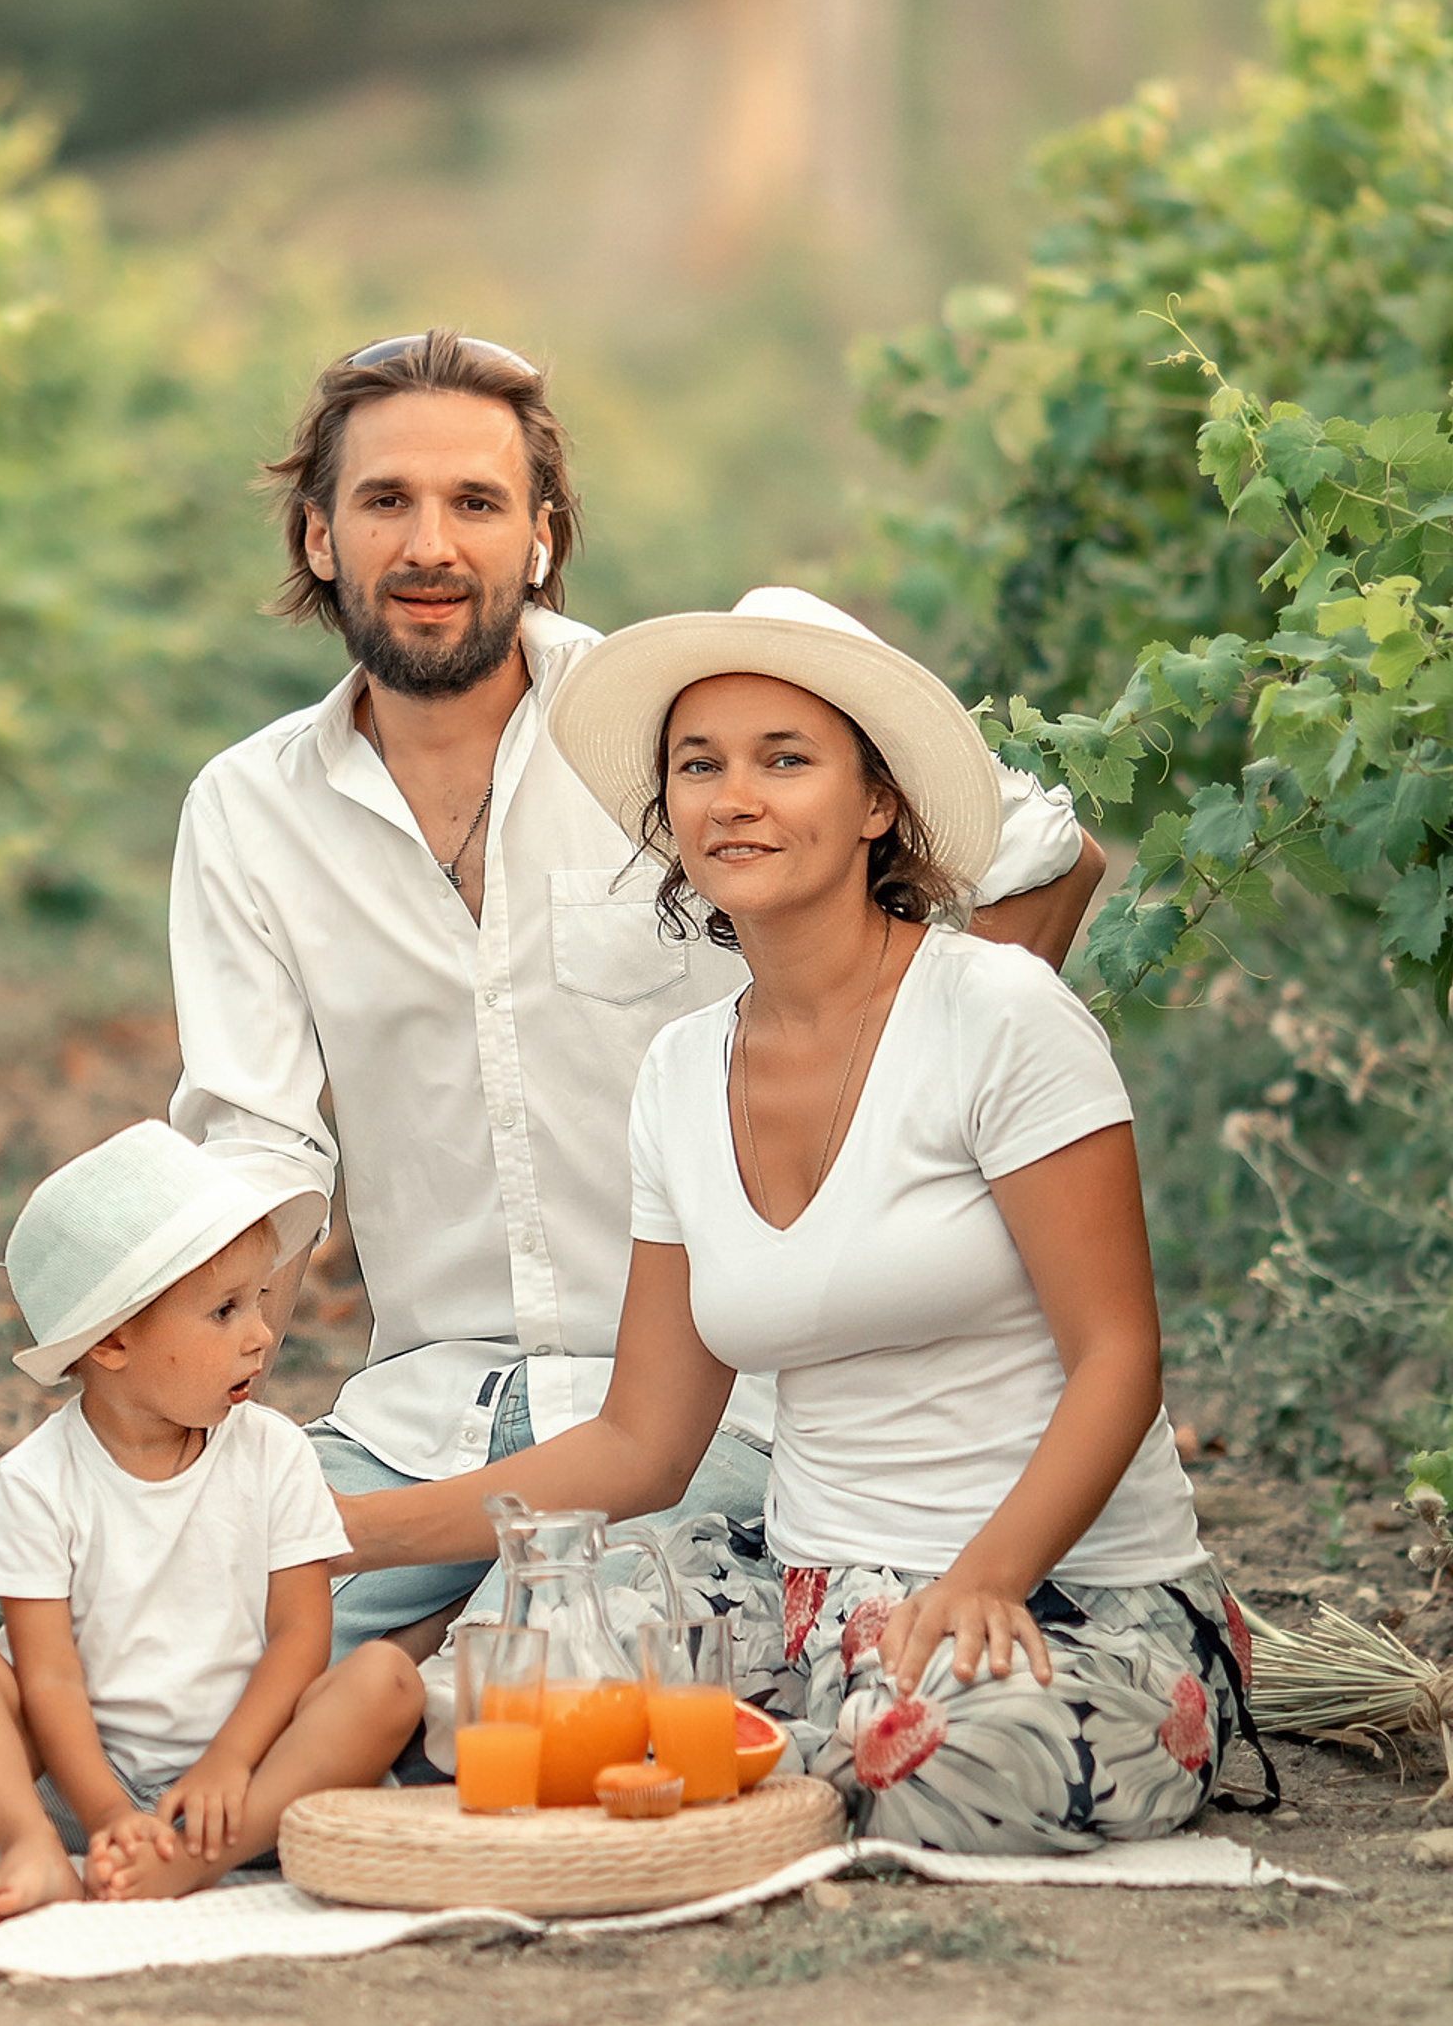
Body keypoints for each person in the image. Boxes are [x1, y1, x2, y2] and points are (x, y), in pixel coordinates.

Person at [168, 329, 1109, 1670]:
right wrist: (172, 1387)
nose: (430, 545)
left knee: (530, 1680)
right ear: (319, 537)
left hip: (714, 1413)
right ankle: (396, 1641)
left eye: (476, 504)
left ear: (542, 539)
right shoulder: (249, 811)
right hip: (424, 1409)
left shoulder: (673, 734)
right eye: (386, 502)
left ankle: (437, 1653)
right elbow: (256, 1146)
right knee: (142, 1665)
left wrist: (897, 1128)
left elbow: (1037, 853)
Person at [329, 591, 1269, 1849]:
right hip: (815, 1589)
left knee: (951, 1761)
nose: (736, 798)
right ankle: (789, 1760)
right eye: (699, 766)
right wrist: (331, 1536)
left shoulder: (998, 1015)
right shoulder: (678, 1070)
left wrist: (983, 1576)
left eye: (785, 759)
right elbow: (641, 1447)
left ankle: (784, 1773)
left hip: (1059, 1591)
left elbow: (1119, 1359)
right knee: (496, 1695)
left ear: (875, 801)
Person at [0, 1122, 421, 1918]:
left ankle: (201, 1860)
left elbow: (300, 1636)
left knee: (385, 1682)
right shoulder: (37, 1482)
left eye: (261, 1302)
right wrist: (106, 1813)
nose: (257, 1337)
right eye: (223, 1312)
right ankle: (33, 1847)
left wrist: (228, 1764)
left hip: (245, 1777)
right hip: (80, 1781)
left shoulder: (274, 1452)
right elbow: (49, 1677)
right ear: (111, 1341)